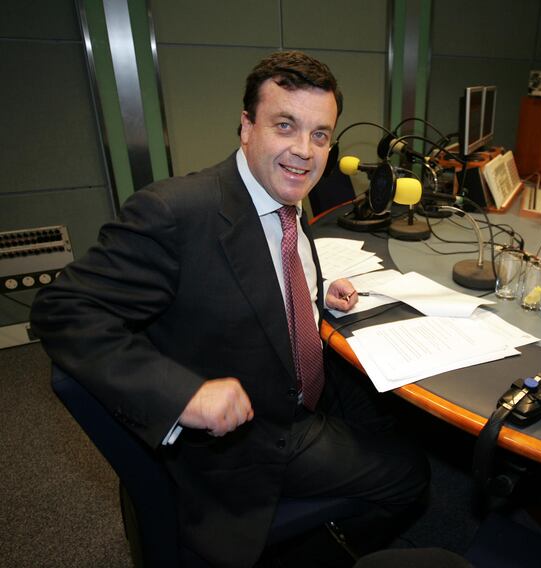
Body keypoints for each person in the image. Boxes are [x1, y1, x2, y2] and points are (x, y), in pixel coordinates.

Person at [30, 51, 429, 567]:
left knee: (399, 415)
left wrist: (312, 290)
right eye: (285, 126)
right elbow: (62, 310)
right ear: (246, 127)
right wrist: (182, 395)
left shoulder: (280, 194)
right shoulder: (175, 211)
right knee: (411, 473)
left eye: (320, 135)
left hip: (295, 380)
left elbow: (255, 275)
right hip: (254, 436)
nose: (304, 152)